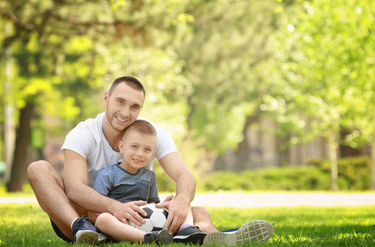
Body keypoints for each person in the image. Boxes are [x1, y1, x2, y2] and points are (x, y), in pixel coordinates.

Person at [27, 76, 273, 245]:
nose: (126, 112)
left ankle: (212, 237)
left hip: (135, 217)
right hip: (89, 217)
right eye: (120, 102)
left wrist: (180, 201)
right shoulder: (83, 134)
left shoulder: (150, 134)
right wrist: (115, 207)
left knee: (197, 210)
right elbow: (74, 189)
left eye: (134, 106)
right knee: (38, 168)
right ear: (106, 99)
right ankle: (84, 233)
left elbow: (185, 175)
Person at [90, 119, 206, 245]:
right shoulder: (107, 175)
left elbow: (152, 206)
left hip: (145, 222)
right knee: (103, 219)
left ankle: (187, 230)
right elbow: (92, 212)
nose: (140, 154)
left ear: (153, 152)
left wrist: (166, 205)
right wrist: (115, 215)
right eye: (134, 147)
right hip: (121, 225)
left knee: (181, 200)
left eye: (147, 150)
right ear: (122, 147)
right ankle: (149, 238)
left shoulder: (149, 176)